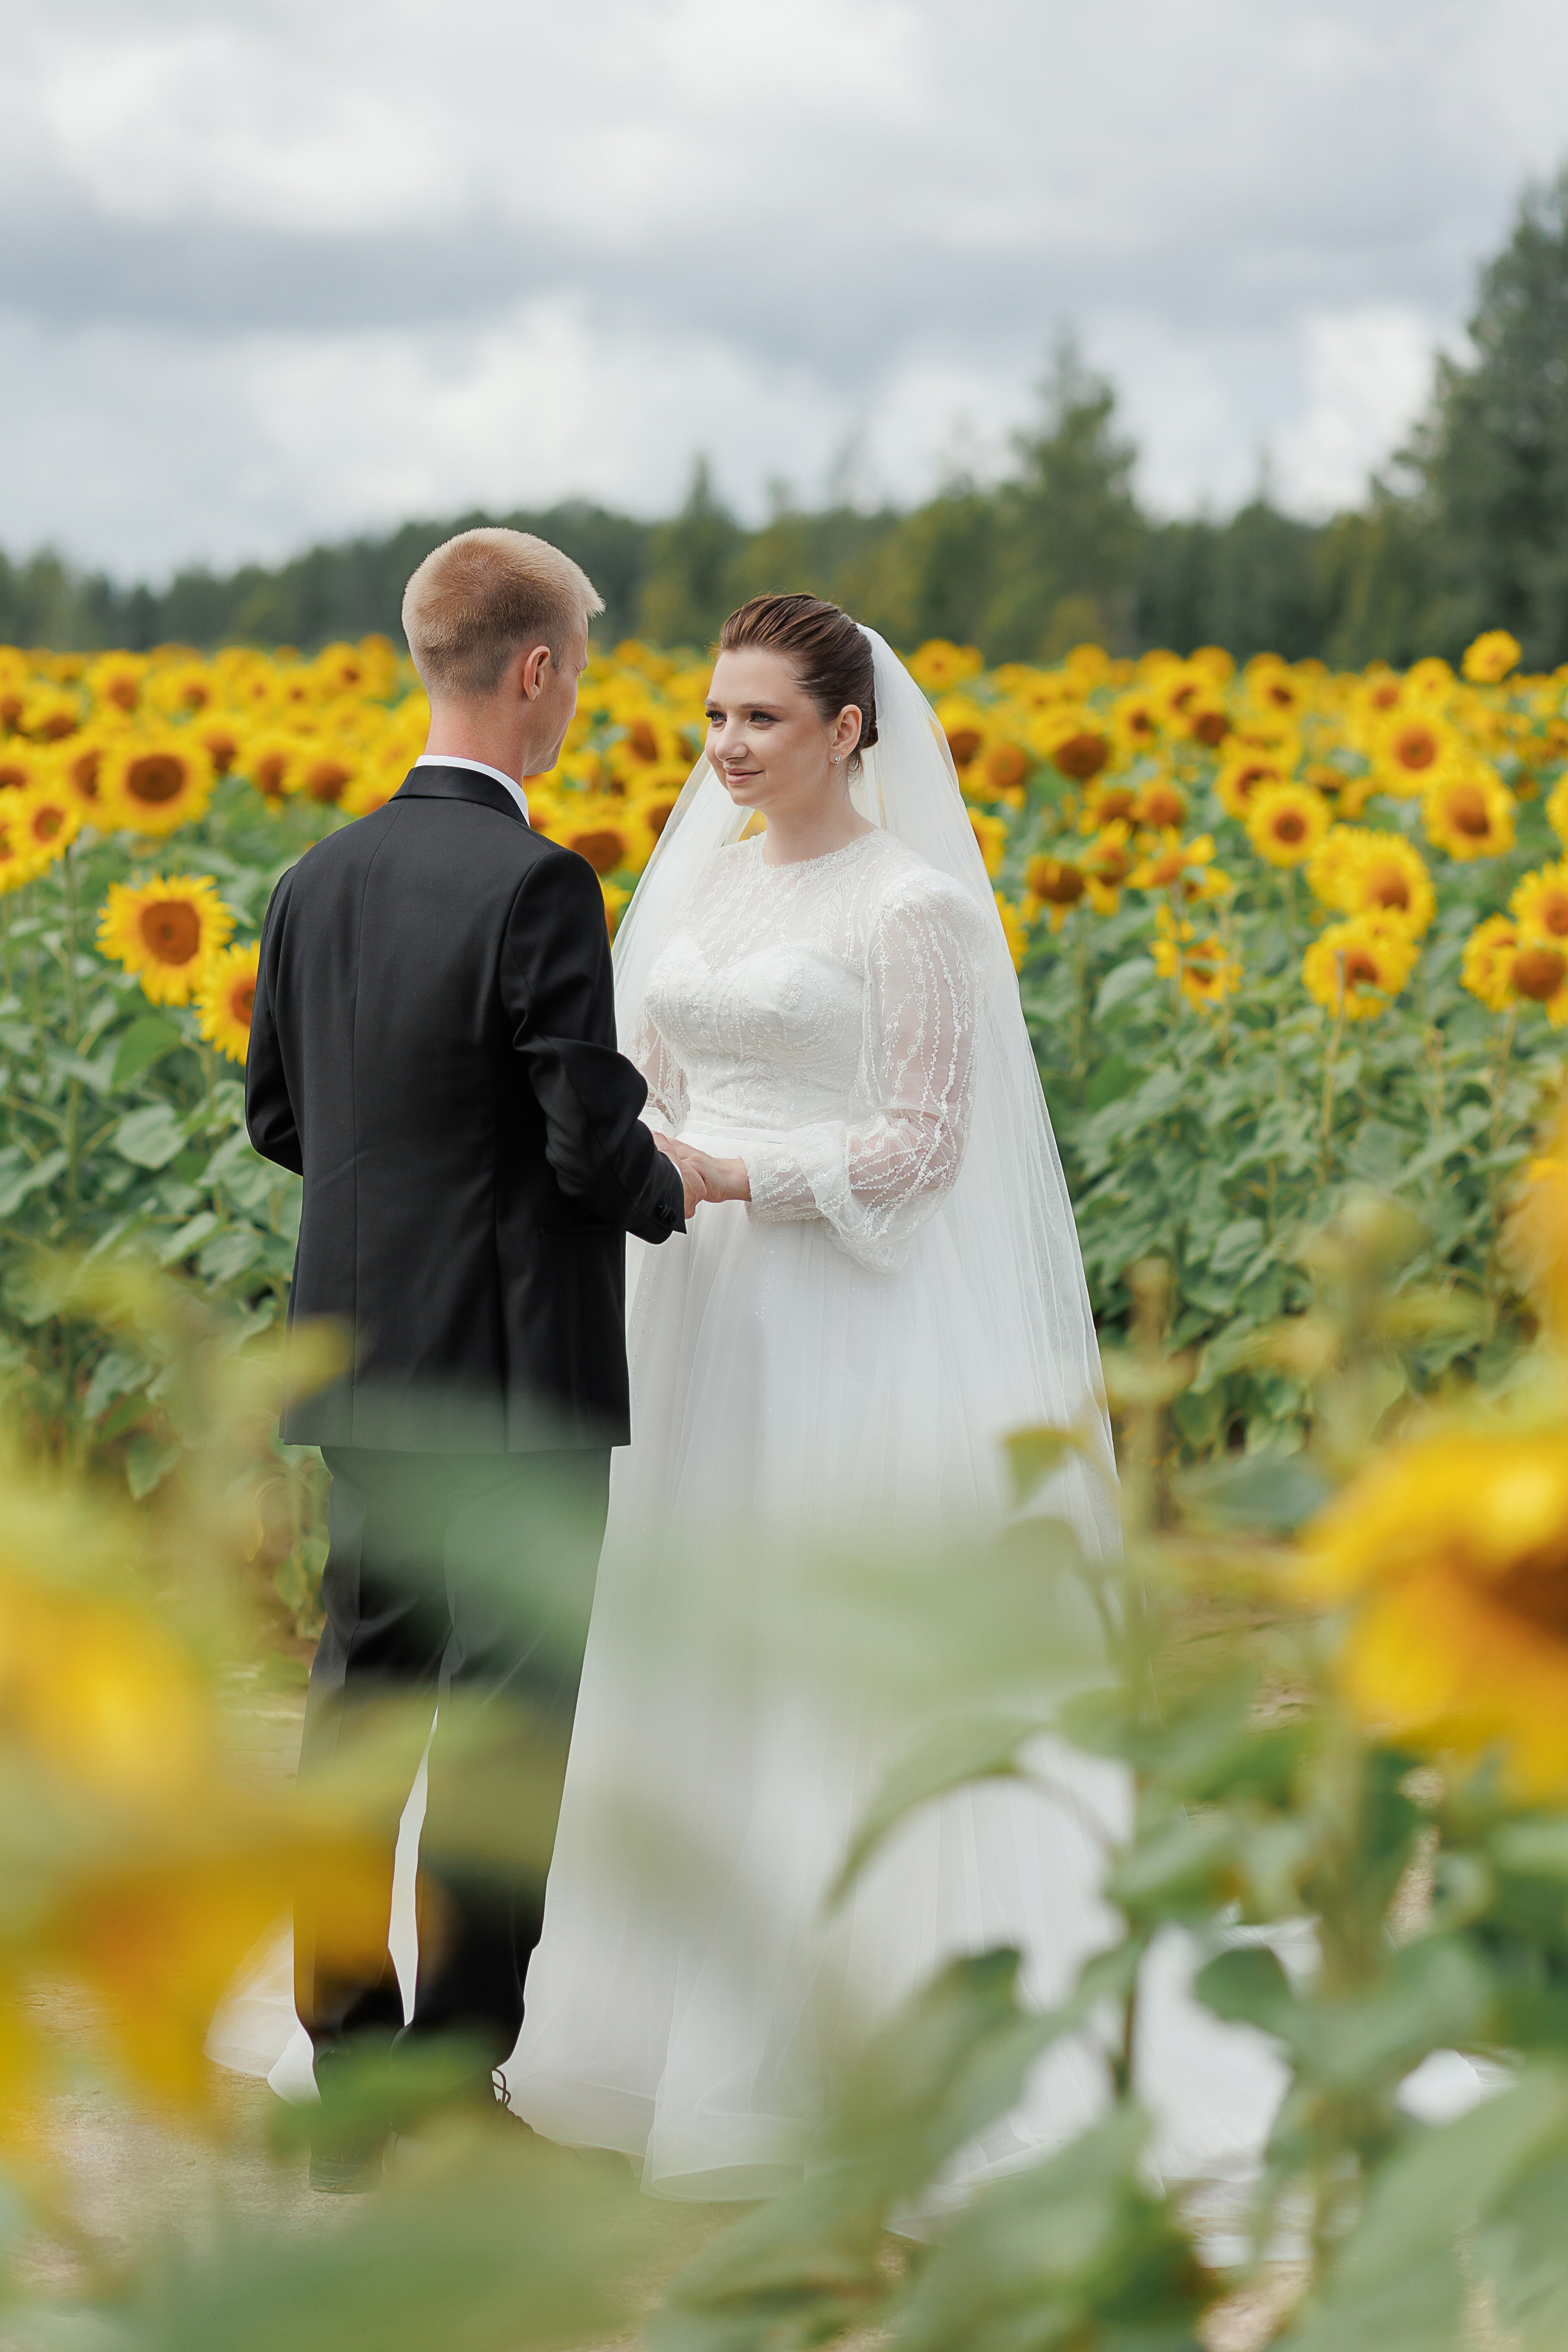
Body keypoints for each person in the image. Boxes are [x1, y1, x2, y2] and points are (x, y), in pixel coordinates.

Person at [505, 596, 1164, 2207]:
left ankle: (837, 2041)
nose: (726, 749)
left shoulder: (915, 907)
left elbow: (922, 1147)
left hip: (833, 1311)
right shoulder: (712, 877)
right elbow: (640, 1068)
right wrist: (632, 1148)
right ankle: (640, 2016)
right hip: (683, 1304)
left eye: (761, 721)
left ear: (848, 730)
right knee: (672, 1637)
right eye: (715, 719)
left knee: (816, 1655)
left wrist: (733, 1170)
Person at [243, 526, 693, 2187]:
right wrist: (682, 1192)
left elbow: (282, 1118)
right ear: (535, 673)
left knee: (359, 1717)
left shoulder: (317, 881)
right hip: (516, 1385)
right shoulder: (538, 884)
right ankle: (451, 2080)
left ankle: (347, 2082)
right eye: (577, 661)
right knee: (505, 1741)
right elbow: (590, 1142)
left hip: (365, 1368)